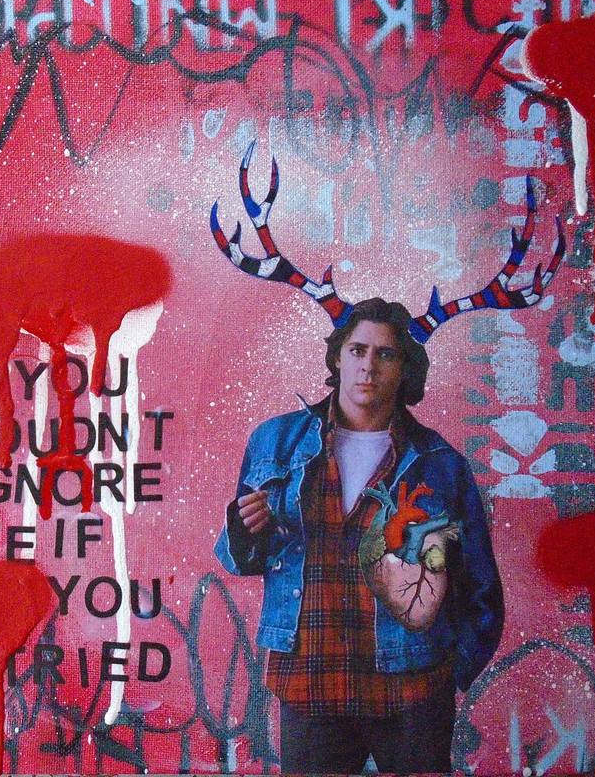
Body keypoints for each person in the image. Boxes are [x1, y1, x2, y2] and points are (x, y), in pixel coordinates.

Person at [214, 297, 504, 774]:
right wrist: (247, 532)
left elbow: (480, 581)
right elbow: (237, 557)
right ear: (337, 358)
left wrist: (454, 668)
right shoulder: (276, 442)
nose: (369, 365)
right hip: (310, 678)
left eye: (386, 354)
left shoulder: (438, 463)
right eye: (357, 350)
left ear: (405, 369)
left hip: (412, 684)